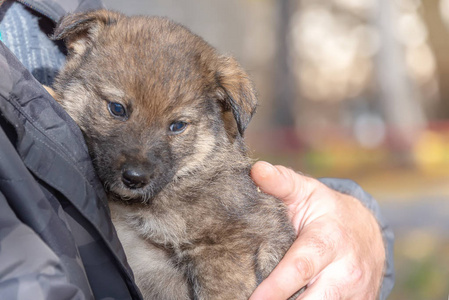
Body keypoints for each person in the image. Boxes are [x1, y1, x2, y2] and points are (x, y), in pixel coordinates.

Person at [0, 0, 394, 299]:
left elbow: (229, 250)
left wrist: (364, 222)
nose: (138, 163)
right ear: (79, 48)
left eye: (176, 126)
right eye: (117, 110)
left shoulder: (208, 191)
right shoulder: (88, 44)